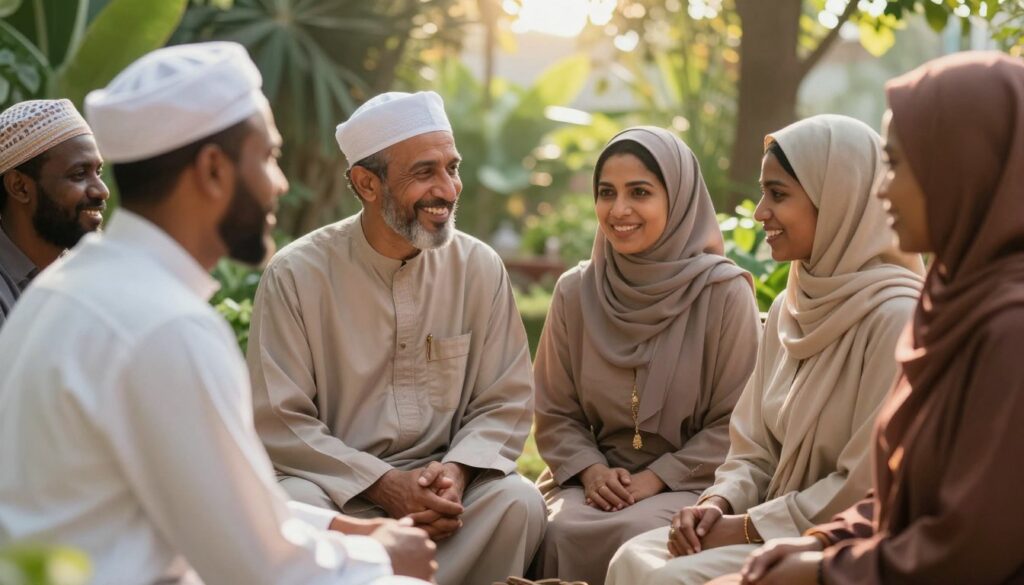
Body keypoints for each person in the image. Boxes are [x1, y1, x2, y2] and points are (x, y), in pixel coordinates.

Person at [0, 41, 434, 585]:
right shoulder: (163, 324)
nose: (280, 183)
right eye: (269, 158)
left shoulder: (74, 288)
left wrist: (349, 532)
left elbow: (219, 500)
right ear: (212, 170)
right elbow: (259, 569)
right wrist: (384, 558)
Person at [709, 51, 1024, 585]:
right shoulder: (949, 306)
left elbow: (970, 549)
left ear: (963, 168)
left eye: (898, 164)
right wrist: (820, 543)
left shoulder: (1008, 332)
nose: (879, 189)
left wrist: (821, 568)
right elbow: (895, 496)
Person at [606, 114, 924, 585]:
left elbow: (866, 484)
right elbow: (753, 448)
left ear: (835, 199)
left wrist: (751, 527)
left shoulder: (896, 318)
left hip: (833, 543)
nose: (758, 212)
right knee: (632, 558)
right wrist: (717, 505)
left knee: (668, 579)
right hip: (761, 523)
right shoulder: (789, 308)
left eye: (778, 195)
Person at [246, 90, 546, 585]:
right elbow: (280, 418)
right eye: (424, 172)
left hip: (445, 498)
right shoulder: (297, 275)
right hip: (337, 493)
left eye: (453, 168)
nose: (447, 190)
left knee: (518, 503)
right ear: (367, 183)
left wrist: (456, 474)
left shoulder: (479, 268)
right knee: (293, 505)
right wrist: (384, 485)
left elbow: (503, 400)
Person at [527, 126, 760, 585]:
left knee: (636, 534)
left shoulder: (723, 294)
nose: (618, 210)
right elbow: (555, 413)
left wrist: (656, 477)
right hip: (591, 483)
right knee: (558, 531)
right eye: (606, 193)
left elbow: (739, 421)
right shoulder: (576, 292)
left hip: (695, 483)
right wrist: (592, 471)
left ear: (678, 199)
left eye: (640, 192)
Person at [0, 98, 108, 326]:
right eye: (79, 174)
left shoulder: (83, 276)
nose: (102, 191)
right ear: (20, 187)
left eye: (98, 172)